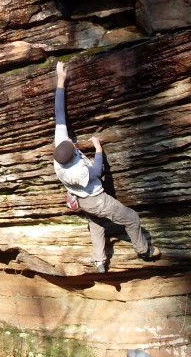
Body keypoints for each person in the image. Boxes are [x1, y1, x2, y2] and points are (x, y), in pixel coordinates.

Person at [53, 61, 160, 273]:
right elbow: (97, 171)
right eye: (74, 147)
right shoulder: (79, 170)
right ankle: (144, 250)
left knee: (96, 225)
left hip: (82, 201)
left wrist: (61, 79)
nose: (73, 142)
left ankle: (99, 261)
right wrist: (98, 148)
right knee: (131, 218)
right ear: (72, 153)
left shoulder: (59, 155)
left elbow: (59, 113)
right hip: (96, 200)